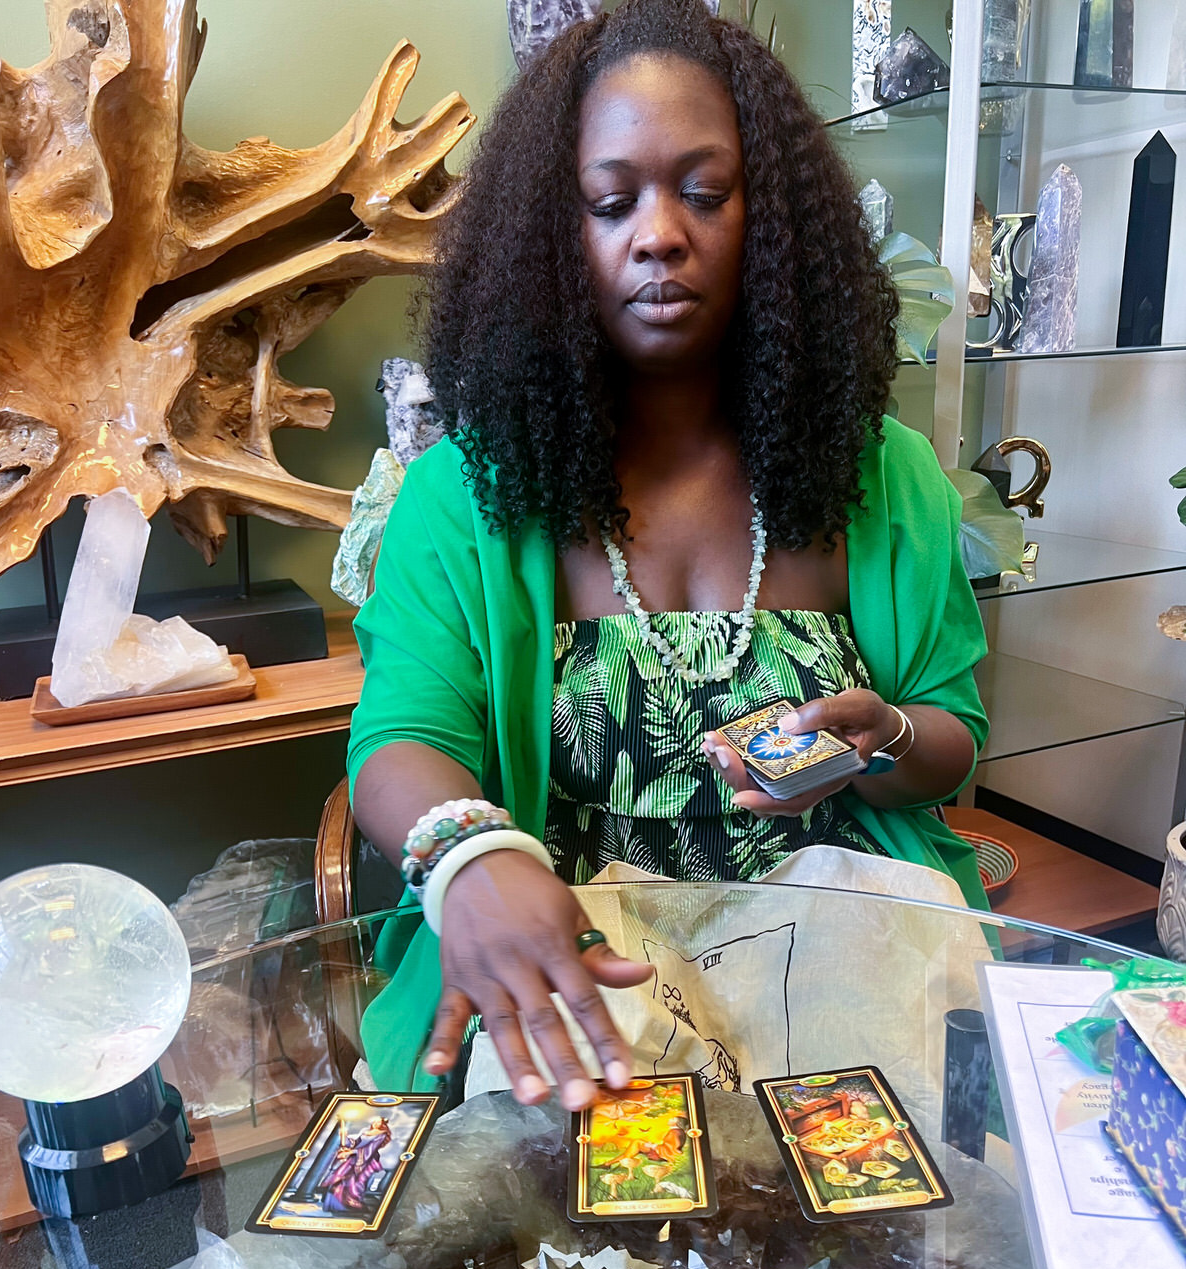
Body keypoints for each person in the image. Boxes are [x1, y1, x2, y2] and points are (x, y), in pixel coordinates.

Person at [348, 0, 989, 1109]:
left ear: (774, 221)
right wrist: (469, 855)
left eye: (703, 192)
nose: (658, 233)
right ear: (556, 235)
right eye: (612, 201)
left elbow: (952, 738)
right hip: (584, 998)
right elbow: (401, 741)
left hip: (848, 979)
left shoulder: (884, 477)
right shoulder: (464, 495)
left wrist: (882, 735)